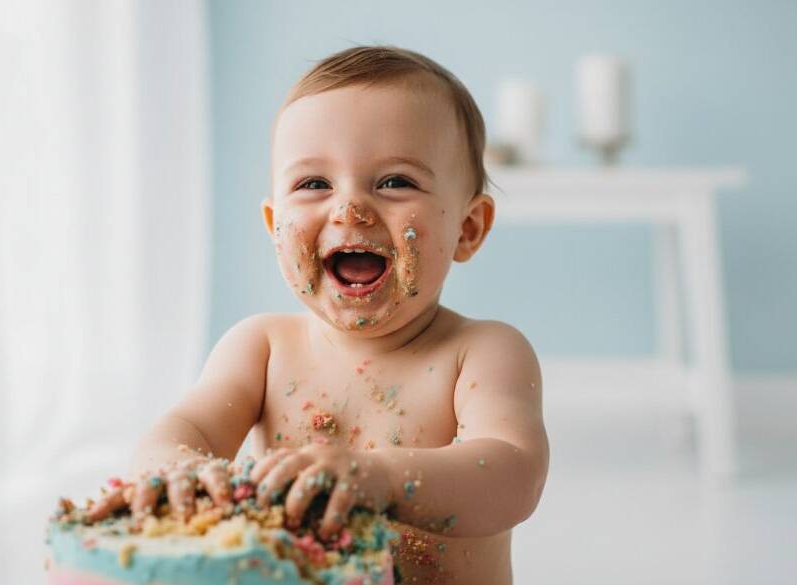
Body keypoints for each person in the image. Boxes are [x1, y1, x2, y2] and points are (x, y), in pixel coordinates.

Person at [90, 45, 549, 584]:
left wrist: (377, 479)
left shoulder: (482, 353)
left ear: (468, 228)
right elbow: (180, 432)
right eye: (314, 184)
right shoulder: (262, 348)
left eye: (396, 182)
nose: (349, 208)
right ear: (273, 224)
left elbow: (511, 476)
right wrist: (179, 469)